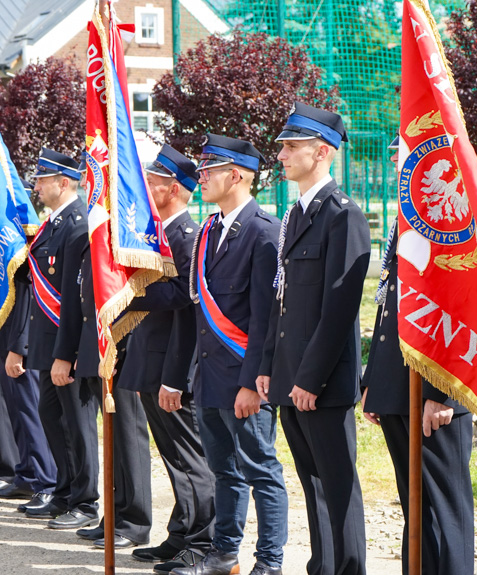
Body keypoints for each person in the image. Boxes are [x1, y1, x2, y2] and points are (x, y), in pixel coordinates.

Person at [255, 103, 369, 575]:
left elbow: (339, 310)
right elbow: (282, 302)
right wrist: (268, 364)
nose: (280, 154)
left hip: (319, 382)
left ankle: (346, 569)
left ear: (322, 152)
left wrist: (310, 378)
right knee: (314, 484)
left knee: (338, 487)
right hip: (291, 377)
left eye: (291, 146)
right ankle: (323, 566)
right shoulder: (296, 215)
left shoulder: (342, 216)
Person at [173, 135, 286, 575]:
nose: (200, 177)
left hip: (244, 379)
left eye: (209, 170)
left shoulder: (264, 231)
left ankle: (269, 563)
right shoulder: (207, 233)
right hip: (210, 379)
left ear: (236, 174)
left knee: (261, 470)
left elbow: (266, 318)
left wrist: (251, 382)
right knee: (224, 471)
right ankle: (224, 554)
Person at [361, 135, 474, 574]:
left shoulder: (448, 216)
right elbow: (393, 305)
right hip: (398, 385)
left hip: (433, 392)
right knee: (415, 509)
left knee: (443, 510)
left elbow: (455, 307)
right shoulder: (411, 214)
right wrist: (376, 383)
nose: (393, 158)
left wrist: (441, 393)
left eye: (401, 150)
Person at [119, 145, 215, 569]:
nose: (144, 190)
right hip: (149, 359)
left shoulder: (186, 236)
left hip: (171, 366)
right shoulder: (160, 234)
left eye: (151, 183)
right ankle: (181, 535)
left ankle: (202, 540)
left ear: (172, 189)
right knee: (173, 457)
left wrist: (129, 286)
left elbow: (183, 299)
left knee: (190, 459)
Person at [22, 148, 99, 526]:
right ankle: (66, 490)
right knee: (53, 416)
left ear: (63, 182)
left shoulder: (78, 224)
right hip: (50, 342)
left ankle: (85, 501)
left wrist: (65, 353)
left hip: (67, 346)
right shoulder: (55, 223)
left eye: (42, 179)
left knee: (78, 424)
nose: (36, 186)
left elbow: (73, 296)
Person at [0, 261, 58, 503]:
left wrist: (20, 349)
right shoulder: (8, 244)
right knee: (17, 413)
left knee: (30, 414)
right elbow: (2, 298)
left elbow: (28, 299)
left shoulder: (26, 245)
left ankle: (46, 482)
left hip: (23, 344)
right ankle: (27, 476)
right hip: (7, 337)